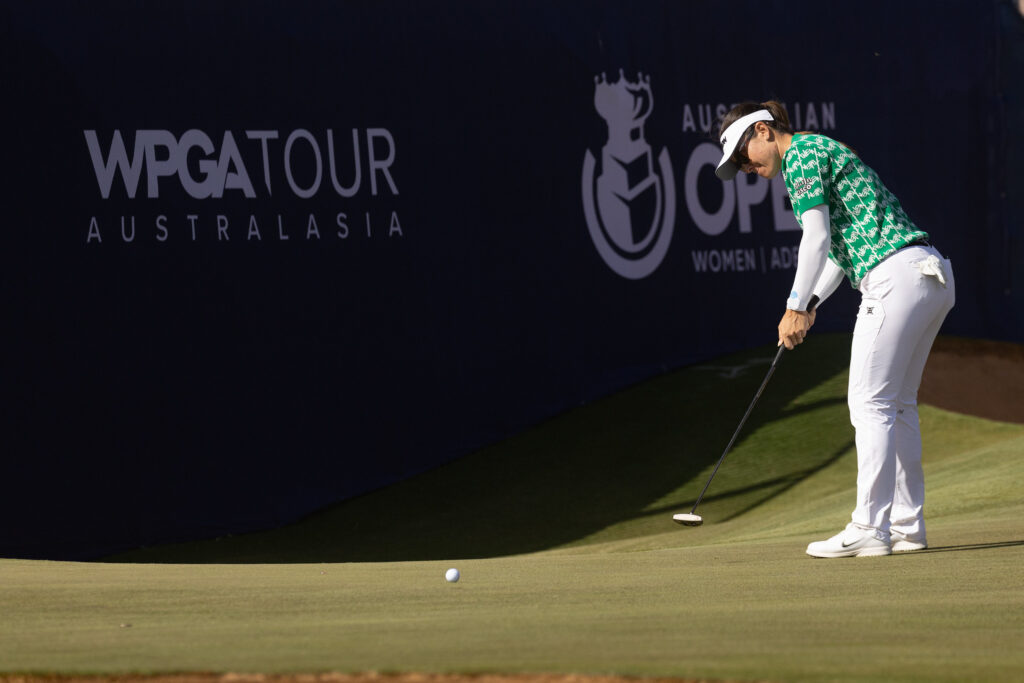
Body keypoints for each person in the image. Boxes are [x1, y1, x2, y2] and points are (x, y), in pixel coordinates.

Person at [715, 101, 955, 558]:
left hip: (893, 278)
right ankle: (907, 526)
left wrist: (792, 305)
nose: (746, 168)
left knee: (869, 403)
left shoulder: (800, 155)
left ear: (763, 130)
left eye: (745, 155)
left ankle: (869, 526)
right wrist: (808, 305)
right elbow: (835, 256)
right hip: (930, 274)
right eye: (739, 166)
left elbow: (817, 238)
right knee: (897, 405)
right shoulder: (815, 150)